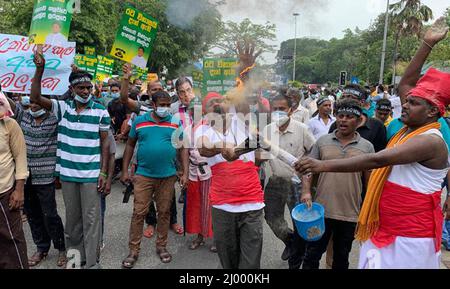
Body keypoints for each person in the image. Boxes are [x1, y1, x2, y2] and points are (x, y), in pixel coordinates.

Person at [295, 18, 450, 269]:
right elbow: (407, 85)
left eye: (413, 103)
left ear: (432, 111)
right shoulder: (412, 127)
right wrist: (427, 44)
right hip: (385, 226)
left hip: (410, 236)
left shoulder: (431, 141)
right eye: (407, 101)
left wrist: (321, 165)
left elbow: (378, 159)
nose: (405, 105)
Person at [30, 52, 111, 269]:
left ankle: (92, 264)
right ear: (72, 89)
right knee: (73, 223)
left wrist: (104, 174)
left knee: (92, 221)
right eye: (81, 87)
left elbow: (105, 146)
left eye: (88, 87)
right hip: (67, 176)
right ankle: (76, 261)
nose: (85, 91)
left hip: (91, 176)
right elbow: (36, 97)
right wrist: (40, 69)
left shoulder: (100, 111)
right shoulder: (62, 109)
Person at [300, 99, 374, 269]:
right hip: (320, 212)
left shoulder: (367, 147)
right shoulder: (323, 142)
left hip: (350, 213)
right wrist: (306, 192)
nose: (343, 120)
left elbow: (369, 181)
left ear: (358, 120)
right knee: (312, 256)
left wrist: (368, 209)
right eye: (340, 116)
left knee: (341, 259)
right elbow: (308, 170)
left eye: (349, 116)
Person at [120, 90, 188, 267]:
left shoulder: (175, 122)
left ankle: (162, 246)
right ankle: (133, 251)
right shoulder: (140, 121)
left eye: (168, 105)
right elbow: (129, 144)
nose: (165, 108)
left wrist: (185, 172)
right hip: (143, 175)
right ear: (153, 104)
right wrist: (125, 171)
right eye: (162, 105)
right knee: (138, 213)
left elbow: (183, 149)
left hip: (168, 176)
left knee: (164, 212)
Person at [197, 97, 265, 269]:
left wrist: (240, 88)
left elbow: (255, 138)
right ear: (205, 111)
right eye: (211, 103)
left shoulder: (241, 122)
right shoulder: (202, 130)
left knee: (250, 265)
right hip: (223, 207)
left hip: (252, 205)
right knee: (228, 263)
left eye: (221, 100)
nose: (217, 104)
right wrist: (222, 146)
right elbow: (203, 149)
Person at [119, 64, 183, 239]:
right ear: (151, 98)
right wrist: (126, 78)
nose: (158, 91)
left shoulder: (172, 112)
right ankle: (150, 223)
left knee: (167, 202)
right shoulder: (142, 110)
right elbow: (124, 99)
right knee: (143, 204)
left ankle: (172, 222)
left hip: (168, 167)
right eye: (154, 90)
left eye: (160, 89)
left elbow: (181, 142)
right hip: (144, 166)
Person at [5, 94, 67, 267]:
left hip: (46, 176)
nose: (32, 105)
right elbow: (8, 102)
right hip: (25, 176)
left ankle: (61, 247)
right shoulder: (23, 116)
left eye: (37, 101)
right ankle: (42, 248)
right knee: (32, 215)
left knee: (50, 215)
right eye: (30, 102)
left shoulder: (55, 119)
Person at [260, 94, 315, 269]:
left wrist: (307, 172)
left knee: (300, 221)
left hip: (298, 182)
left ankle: (298, 257)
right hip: (276, 181)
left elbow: (314, 152)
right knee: (271, 218)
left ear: (291, 110)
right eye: (274, 109)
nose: (278, 112)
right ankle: (290, 241)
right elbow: (259, 157)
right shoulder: (266, 131)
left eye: (282, 109)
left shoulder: (301, 129)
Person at [184, 93, 217, 252]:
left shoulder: (209, 126)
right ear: (189, 112)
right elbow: (184, 152)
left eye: (197, 110)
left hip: (208, 171)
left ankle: (216, 237)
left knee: (209, 204)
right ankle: (199, 236)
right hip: (192, 171)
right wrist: (184, 173)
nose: (194, 112)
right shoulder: (187, 129)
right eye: (192, 110)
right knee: (195, 205)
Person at [0, 91, 29, 269]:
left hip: (5, 191)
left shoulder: (9, 124)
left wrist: (19, 190)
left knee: (11, 238)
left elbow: (20, 158)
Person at [329, 84, 387, 153]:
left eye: (350, 97)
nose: (345, 100)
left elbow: (380, 155)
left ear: (362, 102)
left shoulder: (377, 126)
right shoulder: (337, 125)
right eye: (343, 97)